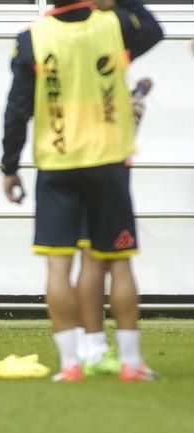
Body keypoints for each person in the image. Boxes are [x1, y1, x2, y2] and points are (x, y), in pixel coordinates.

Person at [1, 0, 163, 381]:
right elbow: (155, 29)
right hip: (108, 162)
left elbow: (16, 109)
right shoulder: (114, 24)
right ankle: (131, 362)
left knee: (58, 265)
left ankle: (71, 365)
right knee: (118, 262)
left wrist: (10, 167)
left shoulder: (32, 38)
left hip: (57, 165)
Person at [76, 76, 153, 375]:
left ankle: (89, 349)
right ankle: (129, 360)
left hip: (75, 176)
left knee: (87, 263)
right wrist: (140, 95)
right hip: (111, 177)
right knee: (119, 264)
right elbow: (131, 118)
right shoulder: (112, 93)